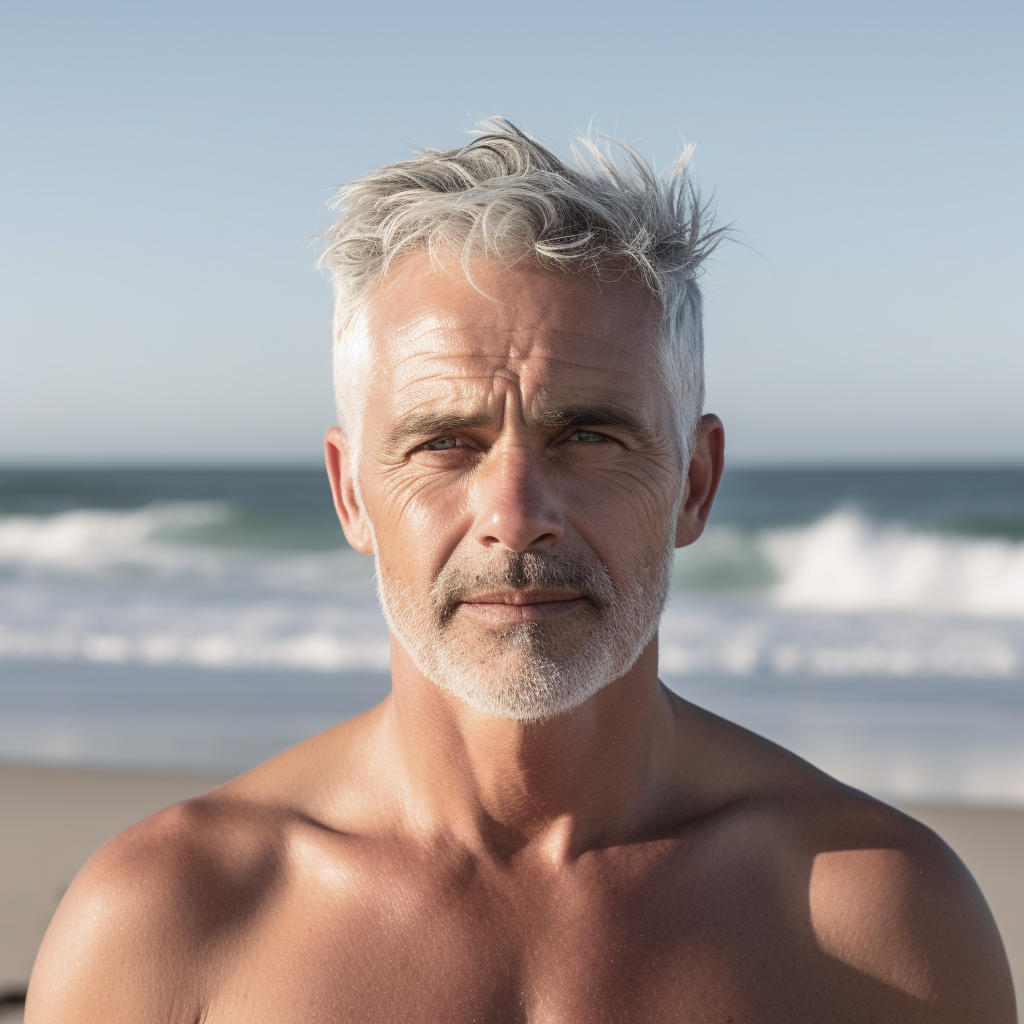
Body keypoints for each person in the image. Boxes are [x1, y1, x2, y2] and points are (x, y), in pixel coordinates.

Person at [26, 119, 1016, 1023]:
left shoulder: (874, 920)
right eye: (445, 440)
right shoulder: (170, 918)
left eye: (587, 434)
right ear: (350, 494)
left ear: (694, 484)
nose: (516, 517)